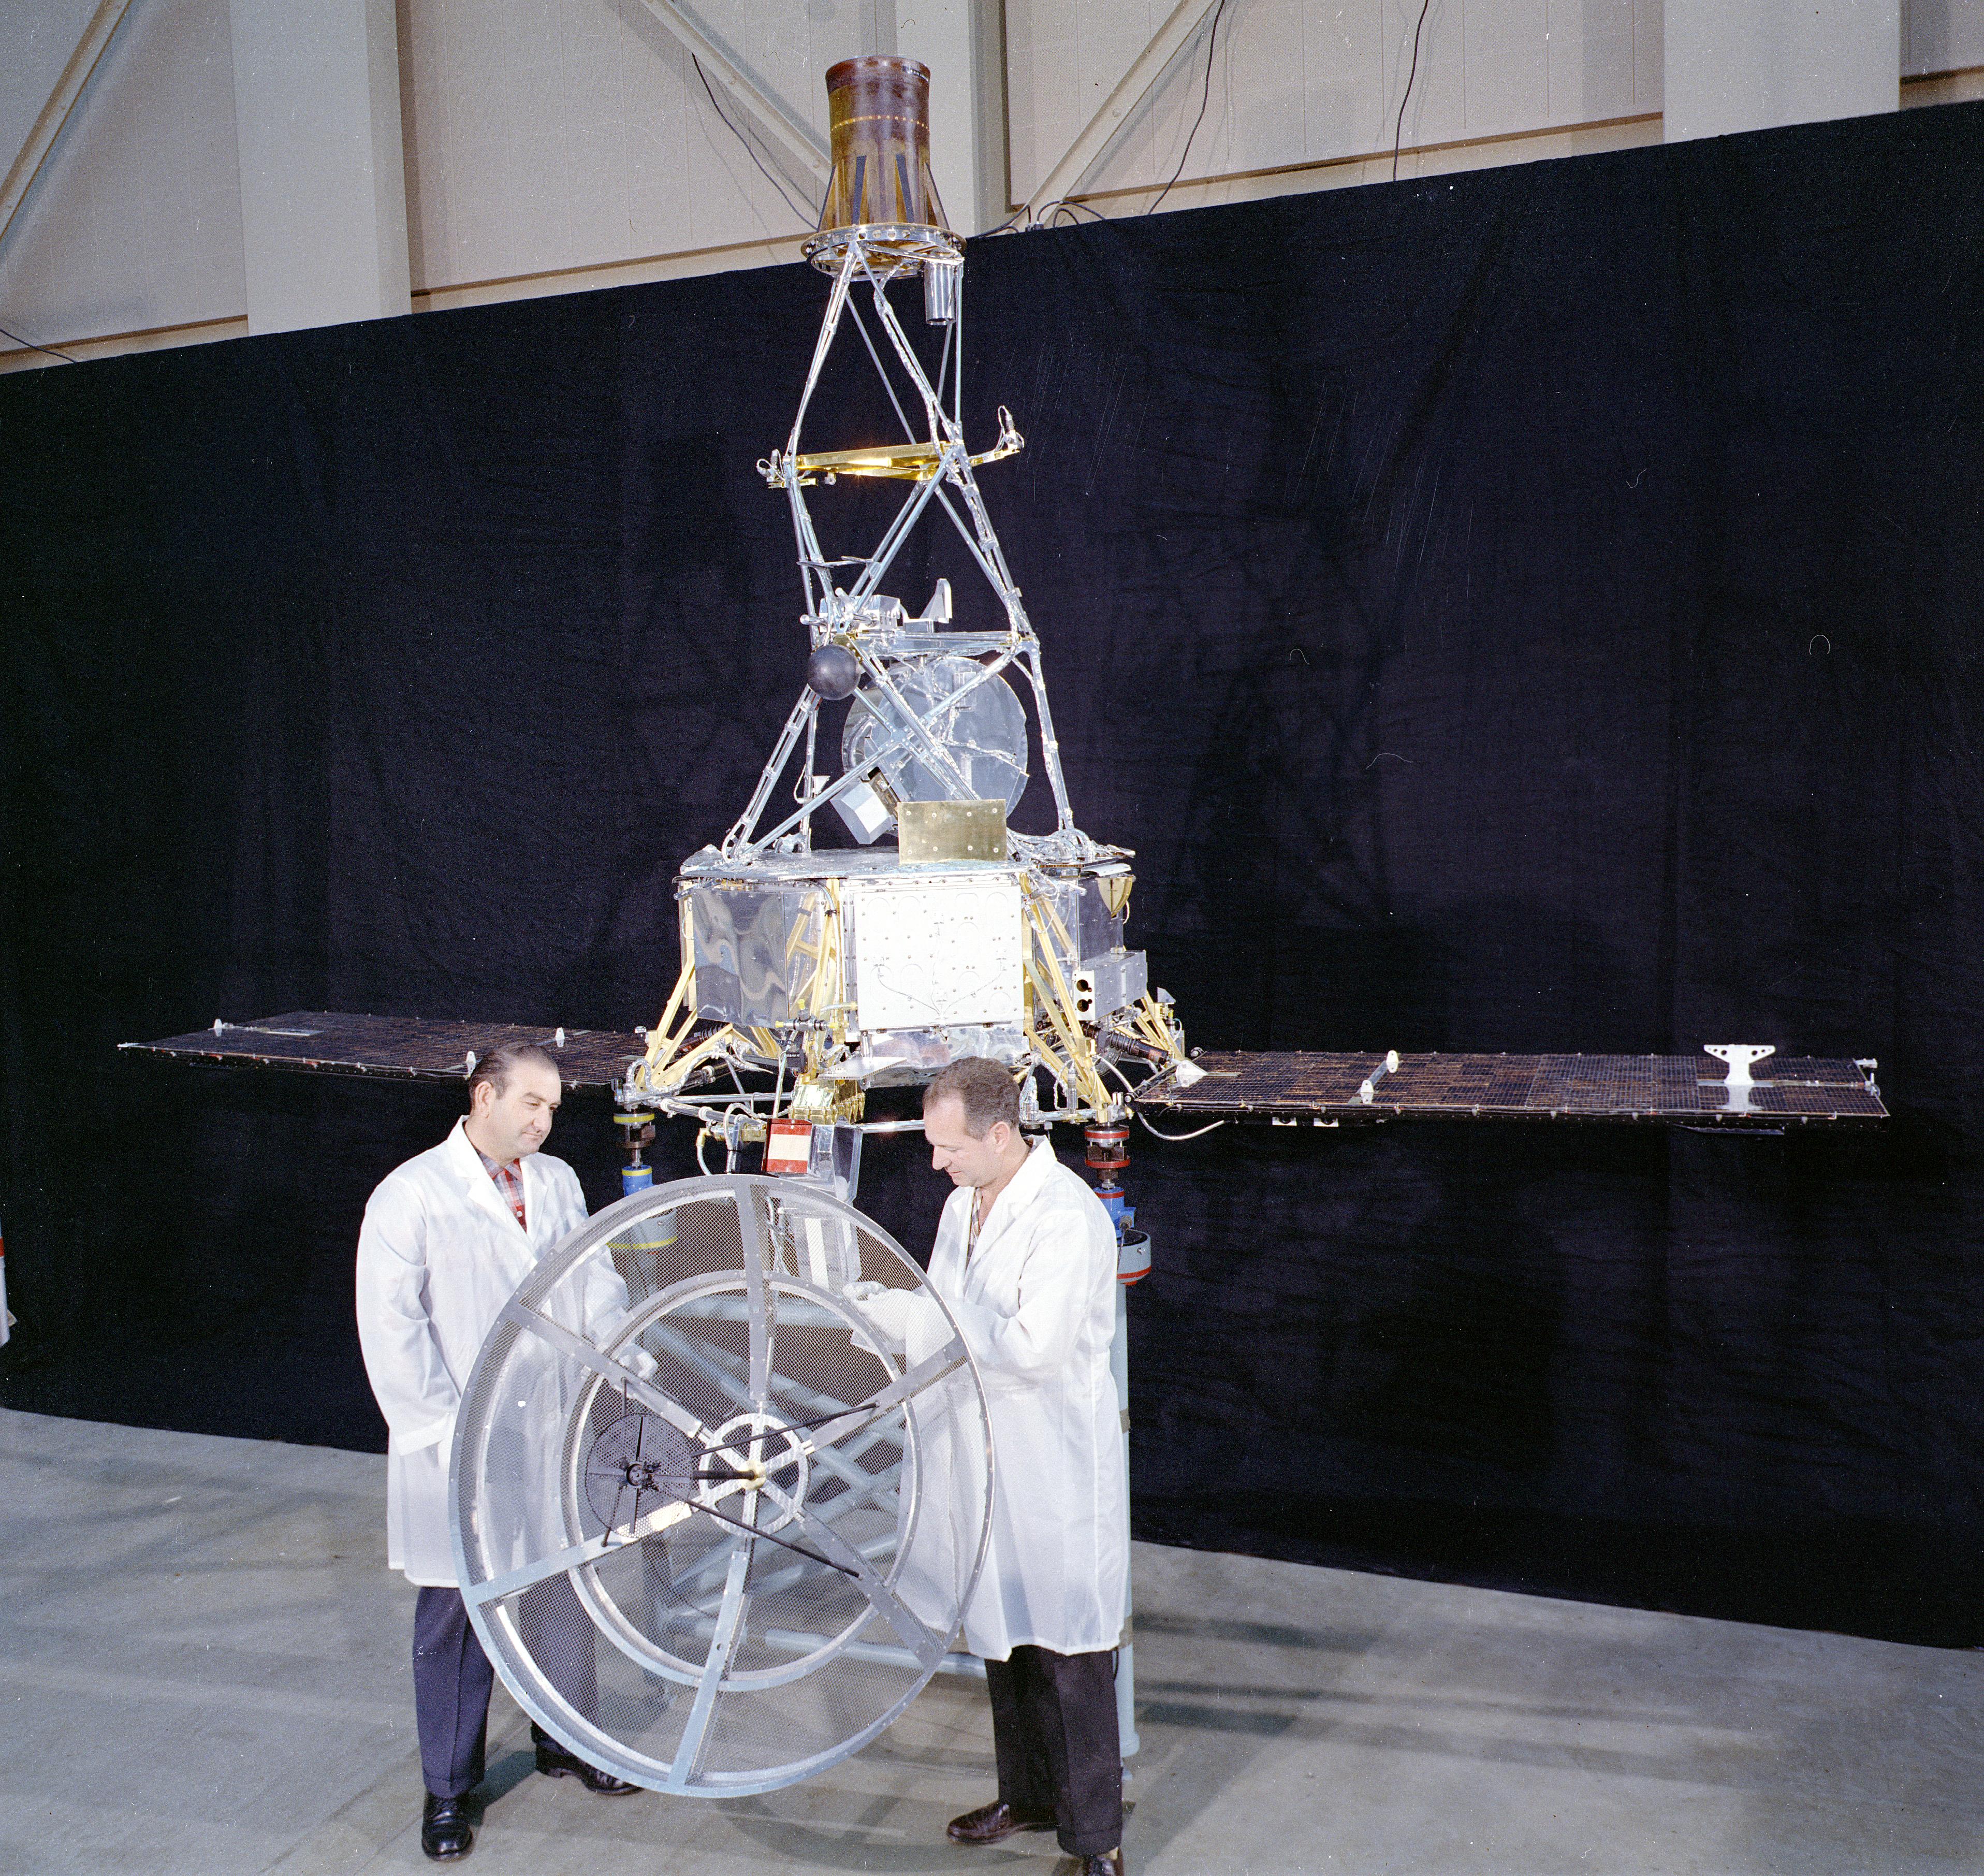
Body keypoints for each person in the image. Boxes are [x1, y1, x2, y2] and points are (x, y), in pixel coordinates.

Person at [355, 1042, 638, 1864]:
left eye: (553, 1109)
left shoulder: (553, 1183)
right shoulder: (410, 1195)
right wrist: (449, 1435)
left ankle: (568, 1738)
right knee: (458, 1611)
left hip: (547, 1423)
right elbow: (393, 1333)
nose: (545, 1122)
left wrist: (625, 1351)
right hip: (457, 1441)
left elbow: (592, 1278)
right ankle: (448, 1788)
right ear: (484, 1096)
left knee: (558, 1585)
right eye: (531, 1105)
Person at [858, 1056, 1129, 1876]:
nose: (937, 1163)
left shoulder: (1067, 1216)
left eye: (950, 1147)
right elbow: (947, 1320)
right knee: (1004, 1635)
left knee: (1070, 1653)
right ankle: (1030, 1796)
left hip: (1050, 1464)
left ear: (1002, 1132)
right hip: (980, 1453)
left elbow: (1031, 1351)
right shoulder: (960, 1205)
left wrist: (913, 1316)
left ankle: (1097, 1846)